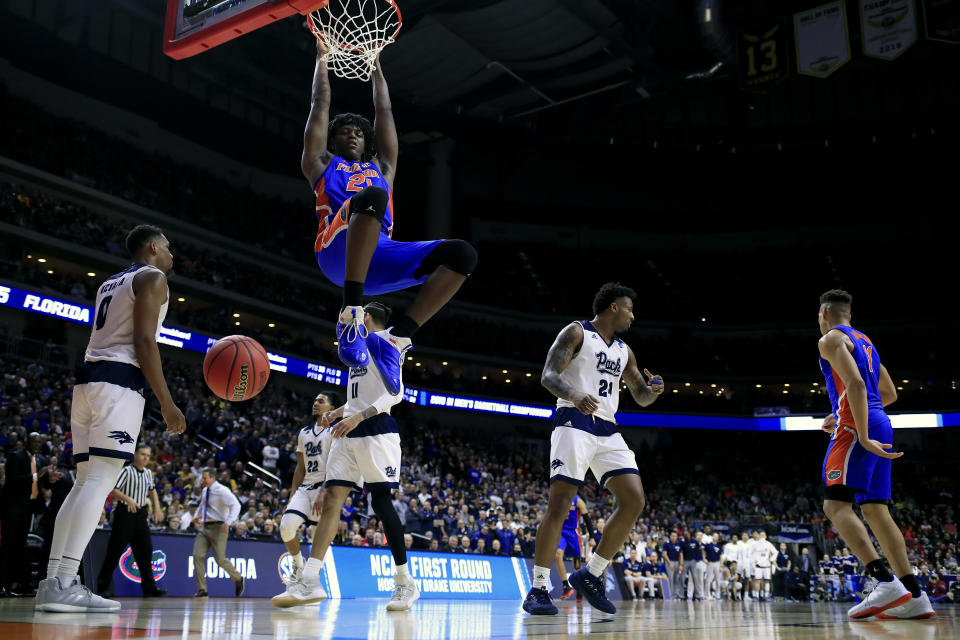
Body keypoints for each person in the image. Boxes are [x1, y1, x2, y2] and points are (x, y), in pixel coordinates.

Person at [303, 39, 477, 378]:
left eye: (357, 132)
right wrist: (321, 59)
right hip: (335, 249)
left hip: (379, 257)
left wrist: (376, 65)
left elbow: (384, 111)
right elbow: (320, 103)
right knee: (372, 198)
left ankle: (397, 341)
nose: (352, 136)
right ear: (333, 141)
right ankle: (350, 313)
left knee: (462, 255)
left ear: (367, 140)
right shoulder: (320, 163)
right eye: (344, 132)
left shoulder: (384, 168)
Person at [35, 225, 187, 613]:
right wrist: (167, 403)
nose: (173, 255)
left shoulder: (109, 283)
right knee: (99, 482)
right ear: (153, 248)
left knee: (84, 482)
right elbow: (144, 342)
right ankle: (66, 581)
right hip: (118, 385)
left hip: (87, 381)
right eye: (169, 248)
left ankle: (53, 581)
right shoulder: (153, 277)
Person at [523, 283, 665, 616]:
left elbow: (640, 395)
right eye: (629, 309)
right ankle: (539, 588)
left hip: (607, 427)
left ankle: (592, 573)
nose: (633, 315)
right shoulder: (577, 332)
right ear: (613, 307)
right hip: (574, 419)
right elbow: (548, 374)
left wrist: (654, 390)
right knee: (560, 502)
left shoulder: (625, 351)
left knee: (634, 499)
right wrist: (573, 394)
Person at [271, 302, 419, 612]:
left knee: (380, 502)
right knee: (332, 497)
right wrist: (337, 413)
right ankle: (310, 580)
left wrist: (357, 417)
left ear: (365, 318)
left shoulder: (385, 342)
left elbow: (395, 394)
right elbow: (357, 397)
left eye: (356, 315)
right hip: (347, 430)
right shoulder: (358, 352)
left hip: (377, 429)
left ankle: (405, 582)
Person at [815, 290, 932, 619]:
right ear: (848, 314)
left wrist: (860, 433)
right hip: (882, 421)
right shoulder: (866, 342)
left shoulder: (829, 340)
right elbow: (888, 393)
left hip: (857, 429)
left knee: (835, 505)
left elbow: (853, 383)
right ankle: (914, 595)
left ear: (824, 313)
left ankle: (884, 581)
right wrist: (842, 412)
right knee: (876, 509)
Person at [278, 392, 339, 582]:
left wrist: (325, 490)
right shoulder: (304, 432)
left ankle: (311, 583)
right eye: (315, 400)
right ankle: (298, 564)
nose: (315, 403)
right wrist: (292, 493)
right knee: (286, 527)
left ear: (331, 408)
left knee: (317, 542)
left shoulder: (335, 432)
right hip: (305, 488)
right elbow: (300, 467)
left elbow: (337, 466)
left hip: (326, 488)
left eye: (321, 401)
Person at [96, 444, 166, 598]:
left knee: (146, 551)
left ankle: (149, 588)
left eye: (148, 455)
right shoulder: (127, 471)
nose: (146, 457)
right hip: (125, 514)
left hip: (140, 515)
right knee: (114, 551)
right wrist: (127, 499)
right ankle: (103, 587)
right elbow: (112, 489)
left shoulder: (148, 473)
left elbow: (152, 490)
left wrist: (157, 508)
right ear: (135, 455)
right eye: (143, 454)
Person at [0, 432, 42, 596]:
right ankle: (2, 585)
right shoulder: (15, 456)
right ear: (26, 442)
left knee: (21, 547)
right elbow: (13, 479)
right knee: (8, 547)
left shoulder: (39, 460)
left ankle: (20, 585)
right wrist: (35, 475)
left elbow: (39, 482)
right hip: (12, 508)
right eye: (34, 441)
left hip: (28, 508)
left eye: (39, 442)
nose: (37, 444)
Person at [192, 468, 244, 597]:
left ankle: (238, 578)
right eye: (202, 478)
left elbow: (236, 505)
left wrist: (229, 522)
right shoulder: (205, 491)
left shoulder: (222, 491)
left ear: (213, 478)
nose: (203, 481)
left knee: (220, 560)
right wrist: (196, 516)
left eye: (205, 478)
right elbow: (202, 505)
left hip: (219, 527)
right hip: (205, 527)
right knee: (197, 556)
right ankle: (202, 589)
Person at [555, 493, 592, 600]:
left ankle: (579, 588)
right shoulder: (558, 498)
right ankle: (566, 586)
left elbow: (587, 519)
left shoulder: (578, 500)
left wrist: (592, 536)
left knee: (577, 565)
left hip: (573, 532)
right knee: (558, 555)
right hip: (561, 531)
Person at [750, 530, 776, 602]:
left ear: (766, 536)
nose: (762, 536)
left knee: (767, 581)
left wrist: (771, 559)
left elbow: (775, 552)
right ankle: (756, 596)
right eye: (761, 535)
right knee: (757, 581)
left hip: (767, 566)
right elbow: (750, 554)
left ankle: (766, 596)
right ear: (759, 536)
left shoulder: (769, 544)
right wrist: (753, 561)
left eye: (763, 535)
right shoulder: (755, 544)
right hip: (758, 566)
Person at [683, 530, 705, 601]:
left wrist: (704, 559)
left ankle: (700, 595)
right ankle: (689, 595)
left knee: (700, 579)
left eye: (701, 535)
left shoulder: (704, 544)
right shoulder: (692, 542)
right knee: (691, 579)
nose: (699, 537)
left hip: (700, 562)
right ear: (696, 536)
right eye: (698, 535)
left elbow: (704, 553)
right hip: (692, 562)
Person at [704, 533, 723, 599]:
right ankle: (707, 594)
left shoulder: (719, 546)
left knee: (718, 579)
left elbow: (721, 556)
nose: (715, 537)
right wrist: (704, 559)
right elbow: (703, 552)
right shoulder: (708, 545)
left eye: (717, 536)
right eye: (714, 536)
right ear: (712, 537)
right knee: (708, 579)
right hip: (710, 563)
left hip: (717, 563)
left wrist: (721, 566)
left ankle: (718, 594)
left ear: (718, 538)